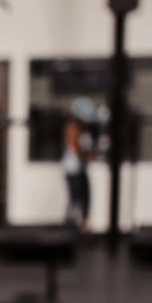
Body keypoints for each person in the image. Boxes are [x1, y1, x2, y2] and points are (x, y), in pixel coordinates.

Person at [62, 96, 96, 232]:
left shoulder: (84, 130)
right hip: (72, 170)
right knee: (75, 199)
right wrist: (89, 154)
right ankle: (69, 228)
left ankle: (84, 226)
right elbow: (77, 149)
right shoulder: (72, 128)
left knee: (85, 199)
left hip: (81, 169)